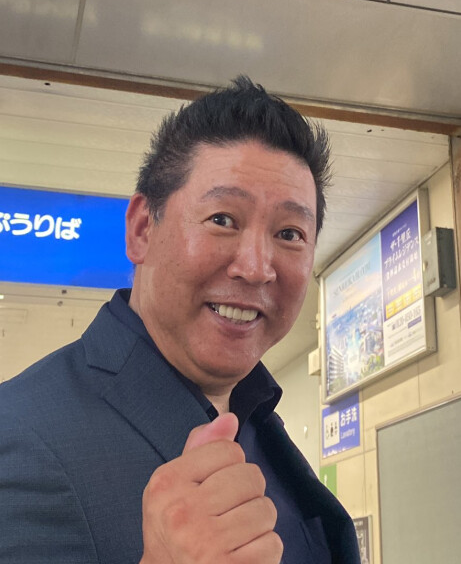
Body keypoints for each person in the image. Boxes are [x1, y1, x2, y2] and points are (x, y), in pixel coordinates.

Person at [0, 76, 360, 564]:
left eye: (290, 233)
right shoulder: (19, 437)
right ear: (142, 230)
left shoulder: (258, 424)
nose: (256, 268)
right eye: (223, 220)